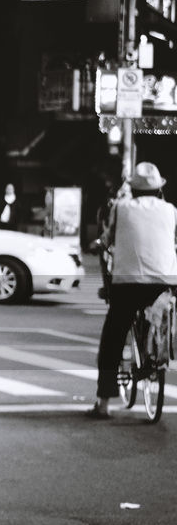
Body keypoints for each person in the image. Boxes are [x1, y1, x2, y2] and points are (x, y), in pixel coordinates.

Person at [88, 162, 177, 419]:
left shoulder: (121, 208)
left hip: (127, 285)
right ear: (159, 190)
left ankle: (103, 403)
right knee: (162, 312)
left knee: (113, 338)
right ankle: (156, 359)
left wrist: (99, 244)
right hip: (164, 283)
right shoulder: (171, 210)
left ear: (134, 191)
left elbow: (107, 239)